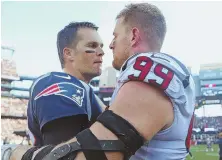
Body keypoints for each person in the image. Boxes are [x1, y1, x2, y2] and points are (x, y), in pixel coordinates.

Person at [7, 3, 195, 160]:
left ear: (133, 36)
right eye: (91, 46)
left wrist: (12, 153)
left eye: (114, 36)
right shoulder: (59, 83)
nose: (108, 47)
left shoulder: (148, 69)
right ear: (68, 53)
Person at [26, 21, 106, 146]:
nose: (101, 51)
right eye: (92, 45)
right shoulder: (56, 82)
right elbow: (63, 154)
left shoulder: (87, 91)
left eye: (101, 46)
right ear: (69, 53)